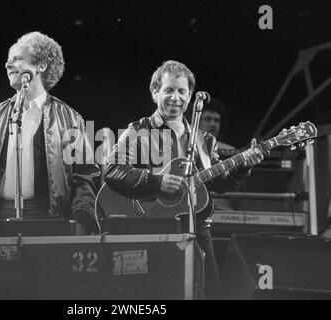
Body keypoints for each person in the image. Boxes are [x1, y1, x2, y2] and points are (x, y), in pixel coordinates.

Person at [104, 60, 263, 299]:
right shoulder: (138, 130)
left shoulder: (203, 139)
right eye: (169, 90)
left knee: (210, 293)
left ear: (189, 96)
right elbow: (112, 169)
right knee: (153, 294)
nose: (175, 97)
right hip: (150, 226)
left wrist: (242, 167)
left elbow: (219, 184)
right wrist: (155, 181)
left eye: (181, 91)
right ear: (155, 92)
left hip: (198, 227)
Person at [0, 32, 100, 259]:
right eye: (8, 59)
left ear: (40, 65)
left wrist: (80, 222)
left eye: (18, 58)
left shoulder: (71, 119)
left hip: (46, 218)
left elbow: (85, 178)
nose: (9, 64)